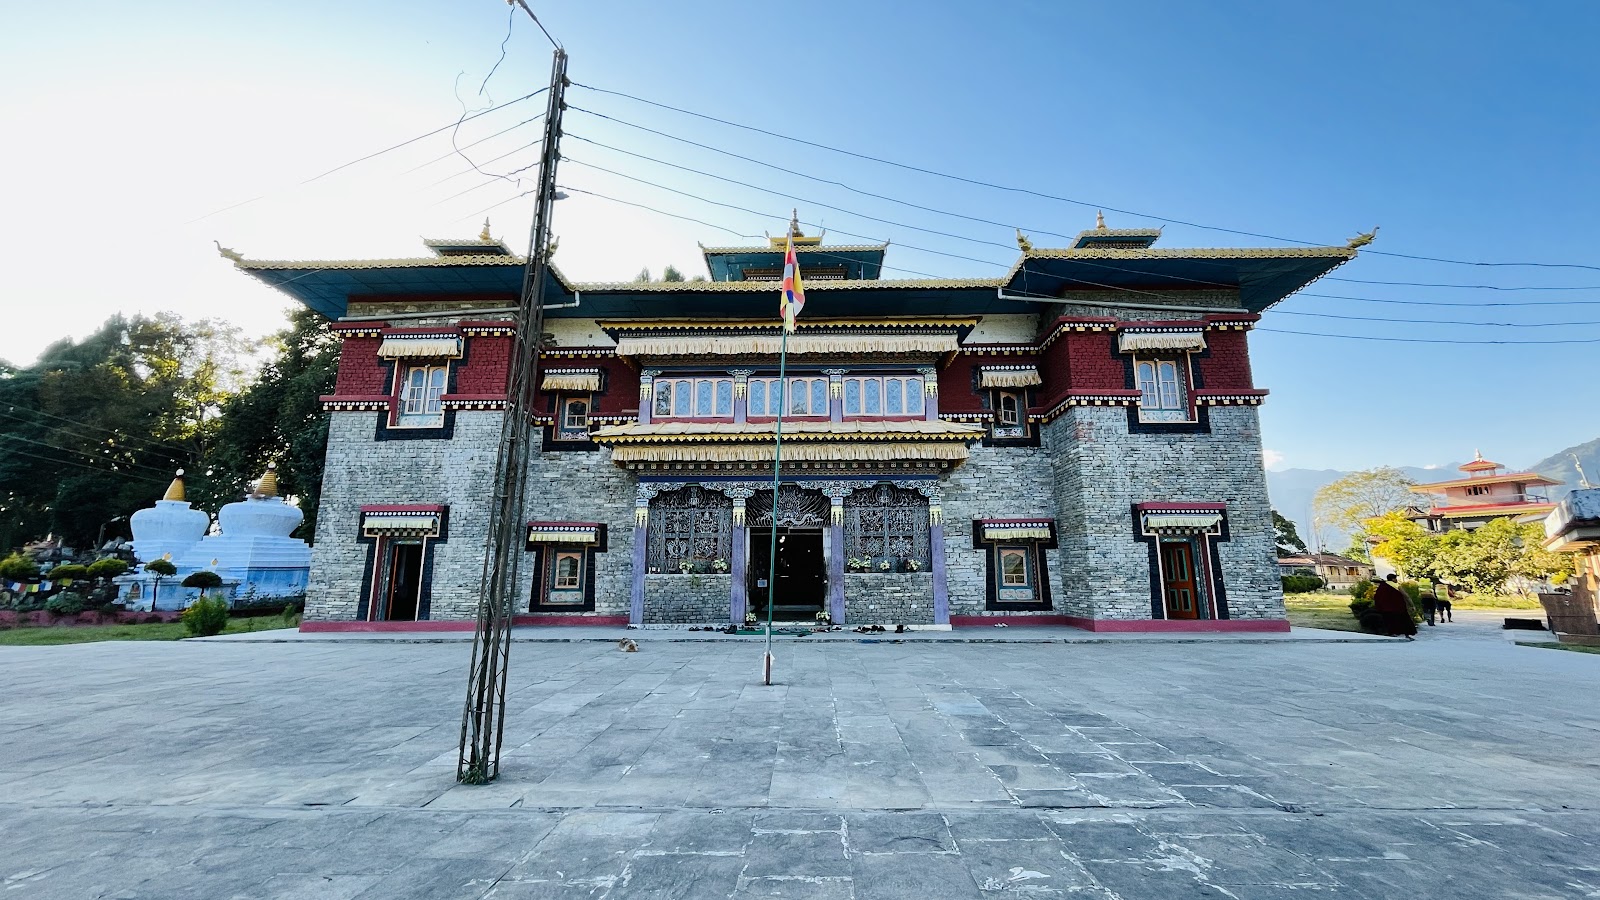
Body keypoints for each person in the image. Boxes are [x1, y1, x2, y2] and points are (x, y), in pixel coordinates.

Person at [1372, 574, 1417, 640]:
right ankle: (1406, 635)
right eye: (1395, 578)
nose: (1396, 580)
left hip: (1385, 608)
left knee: (1390, 621)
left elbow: (1377, 597)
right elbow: (1406, 595)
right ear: (1393, 579)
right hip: (1398, 607)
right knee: (1404, 620)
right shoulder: (1396, 585)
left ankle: (1392, 633)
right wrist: (1412, 605)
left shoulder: (1382, 586)